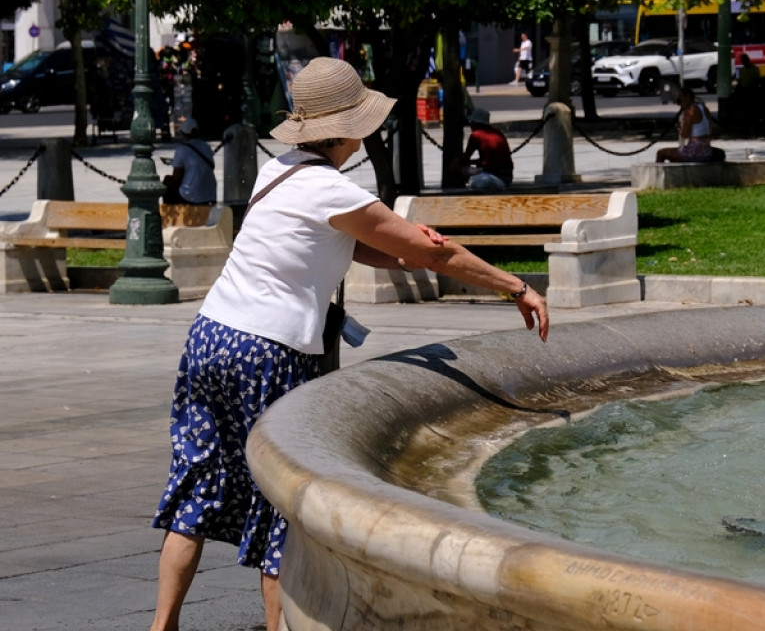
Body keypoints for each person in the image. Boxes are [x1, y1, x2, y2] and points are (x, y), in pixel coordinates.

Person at [148, 57, 549, 631]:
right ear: (353, 127)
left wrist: (409, 247)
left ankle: (162, 626)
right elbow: (430, 253)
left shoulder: (278, 169)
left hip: (211, 336)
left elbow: (351, 245)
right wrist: (516, 287)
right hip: (268, 350)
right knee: (280, 508)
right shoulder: (330, 188)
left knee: (198, 485)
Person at [161, 118, 217, 205]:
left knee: (167, 181)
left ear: (184, 134)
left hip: (190, 196)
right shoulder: (206, 147)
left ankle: (172, 212)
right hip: (210, 194)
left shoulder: (182, 149)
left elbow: (176, 177)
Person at [656, 87, 717, 163]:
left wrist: (679, 128)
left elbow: (685, 135)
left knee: (661, 153)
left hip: (693, 153)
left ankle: (657, 174)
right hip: (707, 152)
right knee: (674, 155)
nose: (679, 104)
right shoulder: (704, 108)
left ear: (687, 97)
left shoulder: (690, 110)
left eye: (679, 100)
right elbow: (709, 130)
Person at [464, 107, 514, 190]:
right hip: (507, 178)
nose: (471, 125)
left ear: (476, 123)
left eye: (472, 122)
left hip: (492, 176)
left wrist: (454, 167)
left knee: (462, 171)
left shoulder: (476, 135)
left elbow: (465, 158)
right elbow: (490, 159)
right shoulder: (498, 133)